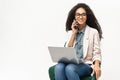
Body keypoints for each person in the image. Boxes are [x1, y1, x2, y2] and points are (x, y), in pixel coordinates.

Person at [54, 3, 102, 80]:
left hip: (85, 64)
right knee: (58, 67)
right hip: (71, 63)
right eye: (78, 15)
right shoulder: (71, 33)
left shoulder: (93, 32)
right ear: (74, 17)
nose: (80, 17)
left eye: (83, 14)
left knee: (70, 69)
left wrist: (96, 65)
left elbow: (97, 52)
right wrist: (73, 33)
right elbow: (67, 50)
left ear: (87, 17)